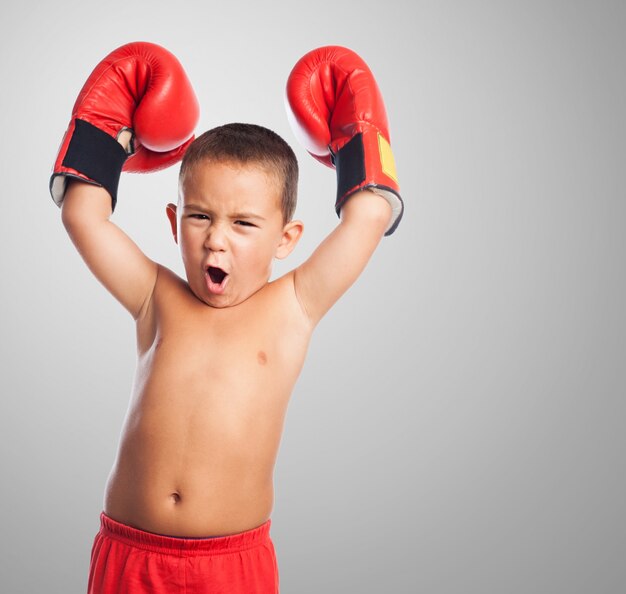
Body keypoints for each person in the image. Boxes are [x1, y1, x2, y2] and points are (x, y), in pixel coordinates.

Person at [50, 41, 403, 594]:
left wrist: (357, 138)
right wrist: (108, 131)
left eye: (244, 224)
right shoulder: (154, 296)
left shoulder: (293, 305)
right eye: (199, 216)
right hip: (130, 555)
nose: (217, 238)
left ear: (286, 239)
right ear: (174, 222)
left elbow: (370, 216)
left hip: (230, 566)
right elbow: (83, 216)